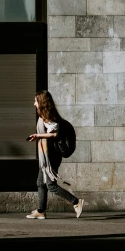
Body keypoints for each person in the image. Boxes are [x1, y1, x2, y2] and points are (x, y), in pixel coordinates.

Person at [26, 89, 84, 219]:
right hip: (48, 155)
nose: (34, 103)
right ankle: (41, 211)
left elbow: (54, 134)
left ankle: (76, 202)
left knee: (51, 186)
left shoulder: (49, 117)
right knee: (40, 183)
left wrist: (37, 135)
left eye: (35, 101)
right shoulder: (45, 116)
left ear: (41, 102)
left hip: (52, 156)